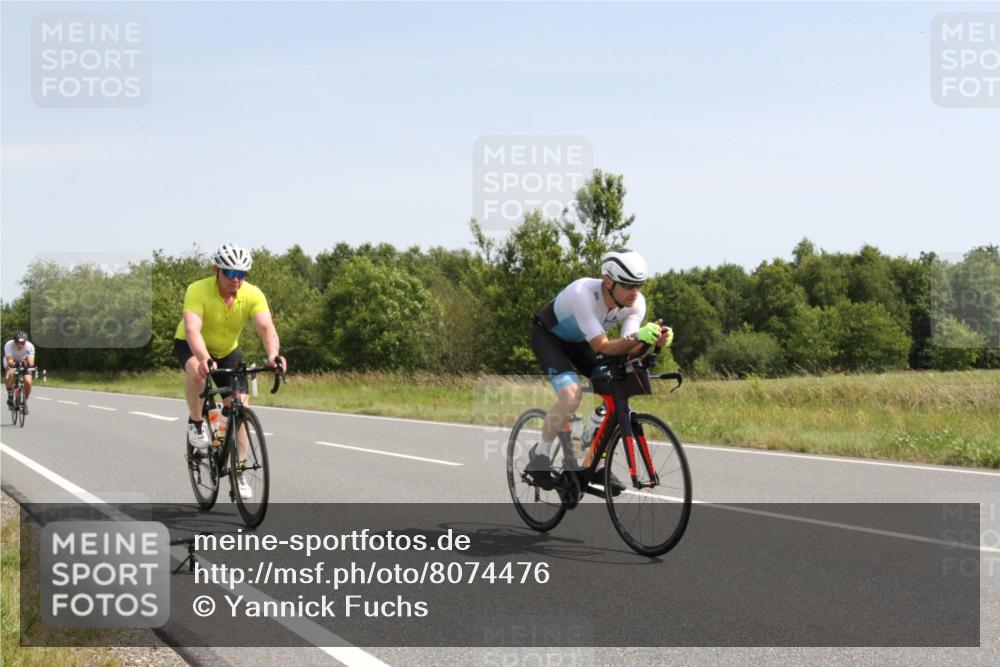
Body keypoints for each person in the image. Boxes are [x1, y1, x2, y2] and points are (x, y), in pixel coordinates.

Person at [529, 249, 672, 494]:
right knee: (571, 396)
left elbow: (627, 348)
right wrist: (639, 337)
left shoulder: (636, 304)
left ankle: (594, 461)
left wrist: (653, 341)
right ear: (608, 281)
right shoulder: (583, 293)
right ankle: (540, 454)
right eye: (627, 285)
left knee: (616, 388)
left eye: (638, 285)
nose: (634, 292)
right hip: (550, 337)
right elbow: (603, 346)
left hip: (583, 341)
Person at [174, 243, 286, 499]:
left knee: (240, 406)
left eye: (242, 275)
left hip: (227, 350)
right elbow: (192, 329)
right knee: (198, 373)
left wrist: (273, 355)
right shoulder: (198, 290)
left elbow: (266, 328)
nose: (237, 280)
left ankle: (238, 471)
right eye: (231, 274)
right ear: (216, 270)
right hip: (192, 344)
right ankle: (196, 421)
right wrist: (203, 358)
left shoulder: (253, 294)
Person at [5, 330, 36, 414]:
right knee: (10, 374)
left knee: (28, 382)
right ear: (14, 341)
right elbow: (9, 360)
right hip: (12, 361)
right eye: (18, 342)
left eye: (23, 343)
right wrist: (13, 364)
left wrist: (27, 364)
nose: (20, 345)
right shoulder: (9, 345)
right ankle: (10, 395)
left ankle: (24, 402)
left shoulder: (30, 346)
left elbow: (31, 361)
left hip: (24, 361)